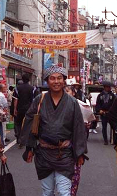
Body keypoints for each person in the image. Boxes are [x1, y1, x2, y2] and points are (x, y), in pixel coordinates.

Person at [21, 65, 88, 196]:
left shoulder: (73, 102)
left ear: (64, 81)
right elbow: (29, 123)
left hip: (65, 154)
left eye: (59, 78)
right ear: (47, 81)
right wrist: (29, 148)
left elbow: (78, 127)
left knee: (64, 193)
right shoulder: (39, 100)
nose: (56, 81)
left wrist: (80, 152)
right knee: (47, 192)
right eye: (52, 78)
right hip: (44, 153)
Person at [13, 74, 37, 145]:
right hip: (30, 109)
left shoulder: (17, 88)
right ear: (29, 80)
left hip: (20, 108)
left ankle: (19, 137)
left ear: (22, 79)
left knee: (18, 123)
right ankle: (26, 139)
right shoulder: (33, 88)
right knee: (28, 123)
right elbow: (34, 100)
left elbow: (16, 100)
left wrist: (15, 109)